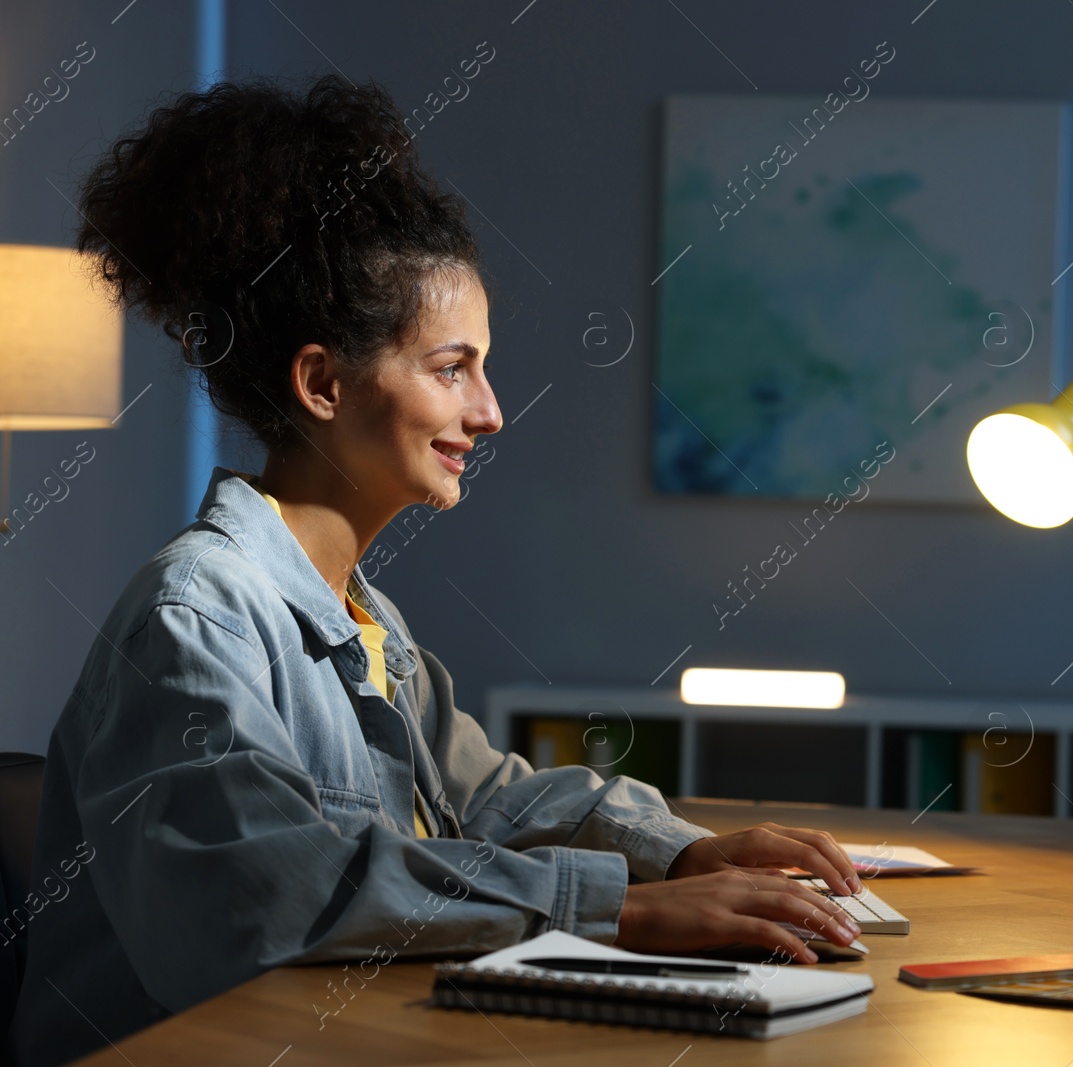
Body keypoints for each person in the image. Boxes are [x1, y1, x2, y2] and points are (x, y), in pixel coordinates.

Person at [10, 76, 863, 1066]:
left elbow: (487, 800)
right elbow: (273, 896)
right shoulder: (195, 618)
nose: (491, 411)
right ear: (325, 383)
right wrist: (622, 908)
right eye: (453, 368)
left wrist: (684, 850)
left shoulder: (362, 614)